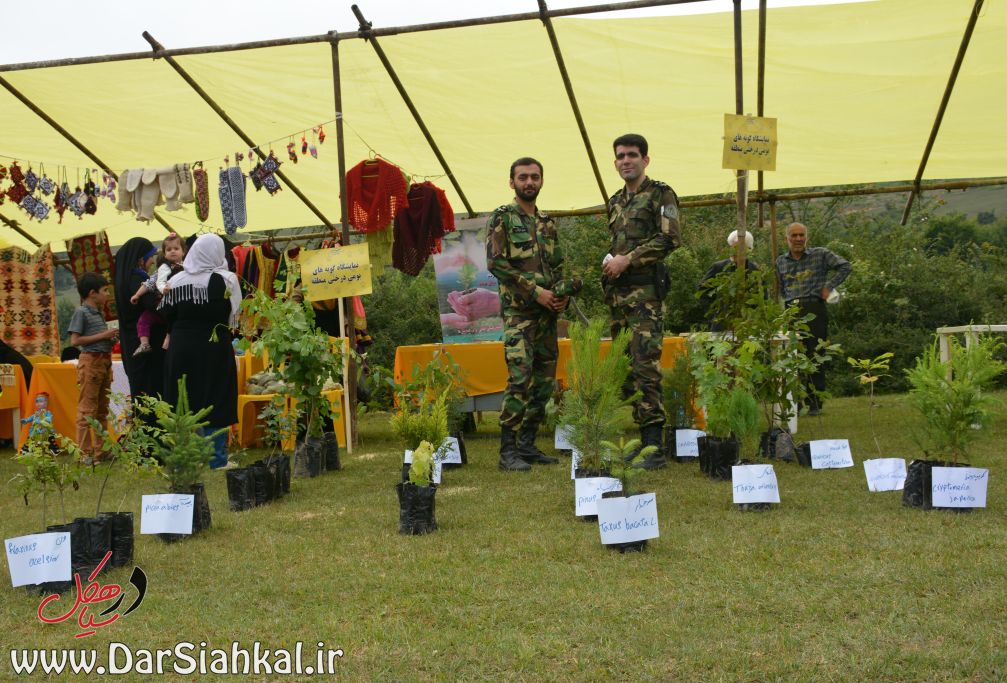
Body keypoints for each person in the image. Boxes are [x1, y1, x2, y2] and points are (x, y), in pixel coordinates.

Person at [602, 133, 682, 470]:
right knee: (627, 371)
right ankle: (641, 443)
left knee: (645, 368)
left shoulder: (661, 193)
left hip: (646, 298)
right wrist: (611, 261)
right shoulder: (615, 200)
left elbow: (670, 238)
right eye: (620, 156)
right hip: (619, 298)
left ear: (645, 160)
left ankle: (654, 449)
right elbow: (618, 243)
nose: (626, 161)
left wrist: (629, 259)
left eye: (632, 155)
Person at [486, 157, 569, 471]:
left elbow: (557, 266)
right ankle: (507, 452)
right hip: (519, 314)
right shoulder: (503, 218)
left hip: (548, 315)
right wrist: (536, 292)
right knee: (520, 378)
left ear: (541, 181)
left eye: (534, 177)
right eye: (523, 177)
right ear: (512, 182)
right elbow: (496, 263)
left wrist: (561, 296)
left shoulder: (547, 223)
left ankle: (527, 444)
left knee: (544, 383)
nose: (529, 182)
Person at [160, 234, 241, 469]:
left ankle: (184, 459)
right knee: (216, 395)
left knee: (183, 397)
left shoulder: (176, 280)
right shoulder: (226, 279)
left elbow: (167, 314)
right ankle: (216, 459)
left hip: (181, 346)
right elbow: (234, 314)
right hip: (214, 345)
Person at [775, 222, 852, 415]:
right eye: (794, 235)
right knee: (793, 356)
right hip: (791, 310)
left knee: (815, 355)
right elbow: (780, 288)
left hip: (814, 307)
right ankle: (795, 403)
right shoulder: (780, 261)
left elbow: (845, 266)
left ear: (806, 237)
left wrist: (829, 287)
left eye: (801, 235)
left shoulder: (820, 254)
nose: (798, 239)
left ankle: (815, 403)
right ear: (787, 238)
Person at [67, 272, 118, 464]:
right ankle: (85, 453)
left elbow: (97, 339)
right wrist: (104, 336)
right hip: (91, 363)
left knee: (102, 410)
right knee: (87, 410)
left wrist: (110, 339)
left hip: (104, 362)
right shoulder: (81, 312)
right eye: (105, 290)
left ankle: (101, 451)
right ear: (92, 293)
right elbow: (75, 341)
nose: (107, 294)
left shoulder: (99, 313)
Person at [114, 237, 167, 403]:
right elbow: (153, 305)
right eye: (150, 257)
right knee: (151, 393)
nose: (152, 261)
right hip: (146, 347)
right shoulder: (136, 279)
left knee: (141, 395)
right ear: (140, 259)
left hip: (131, 343)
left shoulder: (124, 280)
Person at [129, 232, 186, 356]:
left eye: (176, 248)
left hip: (180, 305)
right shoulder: (162, 269)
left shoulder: (188, 268)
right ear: (164, 254)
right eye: (169, 249)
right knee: (144, 319)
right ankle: (144, 344)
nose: (172, 251)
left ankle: (169, 339)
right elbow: (149, 283)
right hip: (161, 305)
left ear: (183, 252)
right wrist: (137, 295)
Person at [697, 230, 761, 331]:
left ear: (749, 249)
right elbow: (702, 291)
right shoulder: (718, 267)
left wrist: (754, 317)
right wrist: (713, 315)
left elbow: (762, 297)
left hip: (748, 325)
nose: (734, 251)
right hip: (721, 325)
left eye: (739, 248)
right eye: (733, 247)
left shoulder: (754, 270)